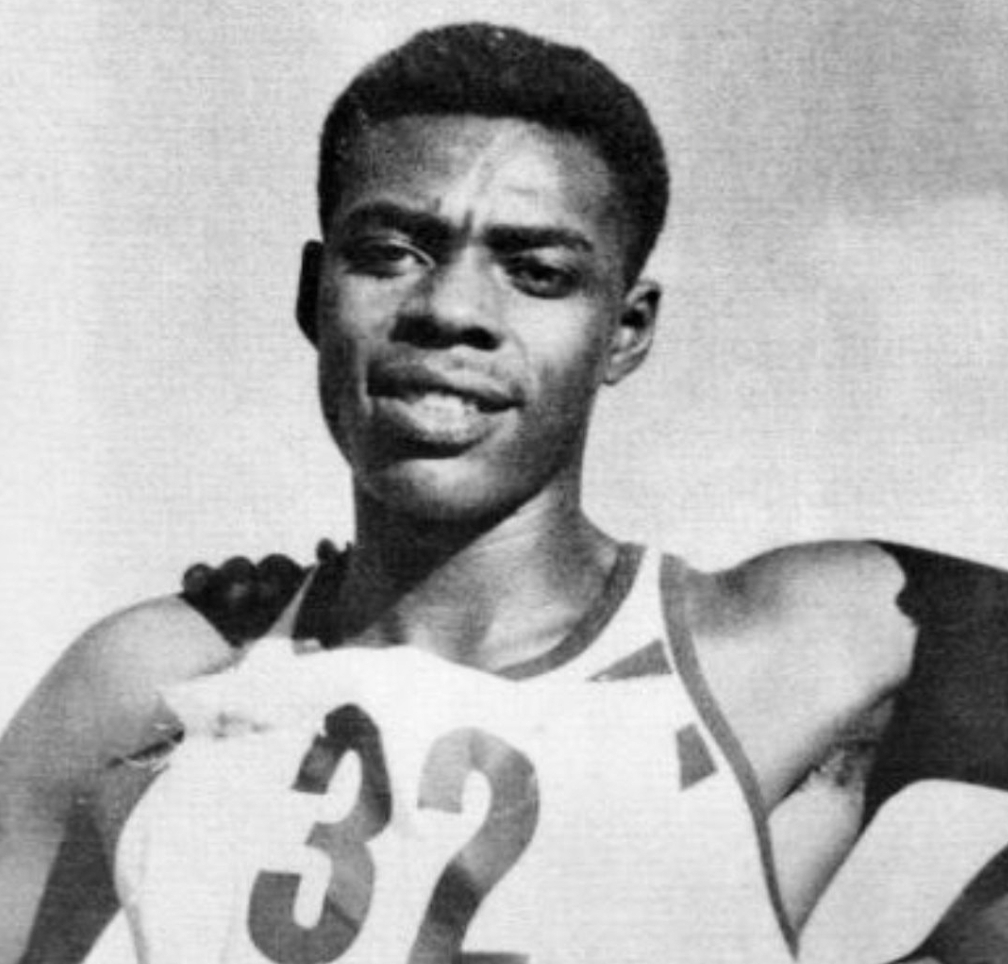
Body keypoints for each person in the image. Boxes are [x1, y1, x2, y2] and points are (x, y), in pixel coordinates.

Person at [1, 21, 1006, 964]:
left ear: (625, 331)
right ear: (315, 294)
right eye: (390, 254)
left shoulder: (797, 648)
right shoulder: (154, 685)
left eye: (537, 272)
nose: (450, 310)